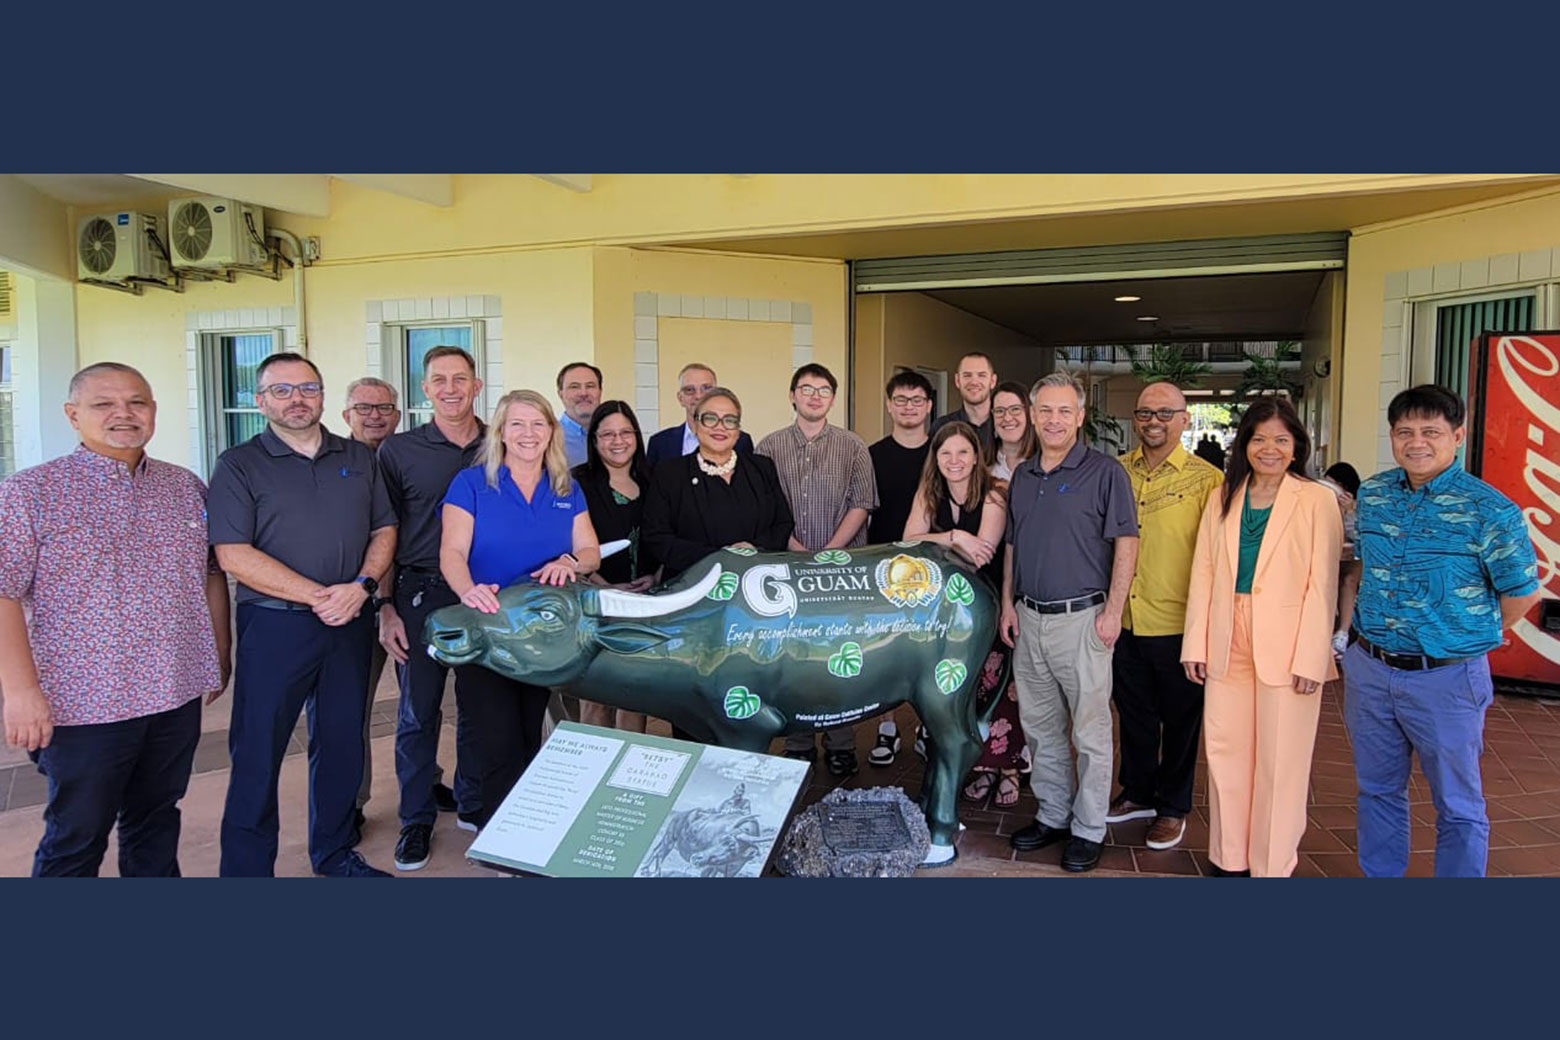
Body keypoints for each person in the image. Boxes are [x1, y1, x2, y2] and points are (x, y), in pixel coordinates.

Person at [0, 363, 230, 877]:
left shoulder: (183, 486)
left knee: (155, 820)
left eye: (138, 402)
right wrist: (20, 691)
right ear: (72, 414)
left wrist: (219, 653)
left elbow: (212, 573)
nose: (124, 414)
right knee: (77, 836)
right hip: (85, 702)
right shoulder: (30, 493)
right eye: (104, 404)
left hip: (174, 691)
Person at [208, 351, 397, 877]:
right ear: (260, 400)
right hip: (275, 626)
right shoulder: (239, 464)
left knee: (340, 742)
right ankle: (246, 873)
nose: (297, 399)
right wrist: (321, 596)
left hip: (350, 622)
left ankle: (335, 853)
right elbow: (233, 555)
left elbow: (384, 529)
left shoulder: (357, 457)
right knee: (258, 752)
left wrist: (360, 587)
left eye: (308, 388)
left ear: (322, 394)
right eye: (283, 390)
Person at [1344, 386, 1540, 877]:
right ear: (1391, 436)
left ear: (1458, 434)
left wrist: (1464, 635)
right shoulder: (1374, 494)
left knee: (1457, 803)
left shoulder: (1490, 510)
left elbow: (1521, 593)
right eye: (1404, 431)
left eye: (1431, 432)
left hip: (1447, 679)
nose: (1417, 442)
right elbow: (1365, 569)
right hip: (1371, 669)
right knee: (1377, 790)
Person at [1181, 396, 1342, 877]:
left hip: (1288, 641)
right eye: (1258, 438)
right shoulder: (1223, 496)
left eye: (1280, 440)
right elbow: (1204, 571)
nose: (1268, 449)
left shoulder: (1317, 499)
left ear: (1297, 447)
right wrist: (1196, 643)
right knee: (1227, 752)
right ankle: (1229, 858)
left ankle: (1270, 865)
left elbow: (1323, 584)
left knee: (1281, 761)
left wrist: (1314, 657)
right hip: (1227, 632)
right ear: (1244, 444)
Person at [440, 390, 602, 826]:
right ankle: (498, 832)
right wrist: (468, 590)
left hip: (541, 635)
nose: (528, 433)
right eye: (517, 424)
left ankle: (519, 825)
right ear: (501, 431)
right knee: (494, 736)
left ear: (551, 430)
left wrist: (570, 561)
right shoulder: (472, 483)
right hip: (488, 627)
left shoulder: (566, 487)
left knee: (530, 729)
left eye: (537, 424)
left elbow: (590, 550)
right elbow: (452, 552)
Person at [1001, 373, 1139, 873]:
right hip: (1030, 620)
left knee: (1091, 732)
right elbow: (1013, 543)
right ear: (1033, 417)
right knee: (1040, 730)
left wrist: (1113, 612)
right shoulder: (1023, 475)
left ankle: (1088, 827)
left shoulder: (1104, 473)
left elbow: (1127, 542)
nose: (1054, 420)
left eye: (1065, 411)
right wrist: (1008, 604)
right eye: (1045, 411)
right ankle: (1054, 815)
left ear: (1080, 417)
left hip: (1083, 621)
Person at [374, 345, 486, 871]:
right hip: (419, 593)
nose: (450, 388)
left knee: (479, 707)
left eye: (459, 379)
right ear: (425, 390)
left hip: (485, 594)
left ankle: (470, 798)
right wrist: (386, 606)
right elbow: (383, 532)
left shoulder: (501, 443)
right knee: (419, 713)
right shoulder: (398, 452)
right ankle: (415, 818)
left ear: (476, 385)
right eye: (439, 380)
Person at [1108, 382, 1223, 851]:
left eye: (1164, 413)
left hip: (1178, 622)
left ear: (1184, 419)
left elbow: (1216, 559)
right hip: (1124, 617)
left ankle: (1173, 807)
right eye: (1144, 413)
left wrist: (1206, 631)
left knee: (1180, 722)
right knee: (1133, 715)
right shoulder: (1115, 472)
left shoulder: (1208, 481)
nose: (1153, 421)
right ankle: (1137, 791)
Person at [757, 363, 879, 776]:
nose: (814, 396)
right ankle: (797, 741)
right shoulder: (767, 446)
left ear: (832, 397)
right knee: (792, 658)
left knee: (838, 657)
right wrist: (796, 550)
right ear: (792, 395)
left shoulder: (853, 446)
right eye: (806, 388)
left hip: (842, 571)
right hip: (786, 570)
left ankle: (842, 742)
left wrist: (828, 554)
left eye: (823, 389)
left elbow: (862, 503)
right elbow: (765, 508)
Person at [902, 423, 1021, 806]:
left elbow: (981, 555)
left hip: (983, 605)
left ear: (976, 456)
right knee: (960, 689)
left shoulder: (994, 497)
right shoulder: (928, 492)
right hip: (942, 613)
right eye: (945, 454)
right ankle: (982, 767)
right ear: (935, 458)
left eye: (962, 453)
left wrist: (942, 542)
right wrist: (954, 537)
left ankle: (1009, 770)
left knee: (998, 688)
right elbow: (906, 542)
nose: (954, 461)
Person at [642, 387, 794, 582]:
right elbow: (656, 536)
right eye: (710, 418)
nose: (720, 427)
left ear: (738, 431)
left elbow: (783, 523)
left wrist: (753, 548)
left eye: (730, 420)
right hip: (690, 587)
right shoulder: (669, 473)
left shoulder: (762, 468)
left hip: (757, 583)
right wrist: (719, 558)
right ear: (696, 425)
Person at [573, 400, 660, 733]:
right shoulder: (577, 482)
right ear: (594, 440)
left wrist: (656, 575)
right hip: (596, 602)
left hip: (646, 601)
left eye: (625, 432)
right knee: (595, 696)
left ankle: (628, 767)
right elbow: (569, 543)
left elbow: (667, 534)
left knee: (634, 692)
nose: (617, 440)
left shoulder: (655, 480)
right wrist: (603, 585)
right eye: (607, 434)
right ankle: (594, 769)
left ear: (636, 437)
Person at [863, 370, 935, 767]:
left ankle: (926, 726)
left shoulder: (944, 452)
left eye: (917, 400)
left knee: (924, 651)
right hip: (881, 566)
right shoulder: (871, 455)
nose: (909, 407)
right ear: (889, 405)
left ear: (928, 406)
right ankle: (886, 728)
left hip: (931, 568)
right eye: (901, 400)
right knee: (885, 650)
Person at [341, 377, 401, 838]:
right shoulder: (335, 463)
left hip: (412, 599)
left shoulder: (405, 457)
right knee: (351, 706)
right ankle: (351, 801)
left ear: (398, 414)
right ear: (347, 415)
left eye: (384, 407)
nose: (375, 415)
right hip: (357, 603)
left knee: (420, 703)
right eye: (364, 408)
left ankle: (425, 784)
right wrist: (379, 600)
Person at [645, 362, 755, 465]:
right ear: (680, 398)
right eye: (689, 390)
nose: (698, 396)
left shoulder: (741, 441)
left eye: (706, 388)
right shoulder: (660, 443)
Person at [1317, 460, 1362, 656]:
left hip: (1354, 558)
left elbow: (1360, 537)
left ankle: (1342, 632)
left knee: (1348, 580)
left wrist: (1350, 511)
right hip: (1328, 557)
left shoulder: (1359, 506)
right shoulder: (1319, 503)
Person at [931, 351, 998, 458]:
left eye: (981, 375)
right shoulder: (942, 426)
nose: (974, 382)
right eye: (967, 375)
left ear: (993, 381)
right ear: (957, 381)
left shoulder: (1006, 425)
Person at [556, 361, 603, 468]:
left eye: (590, 386)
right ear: (560, 394)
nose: (583, 393)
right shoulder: (549, 439)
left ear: (600, 391)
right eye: (574, 387)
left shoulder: (616, 437)